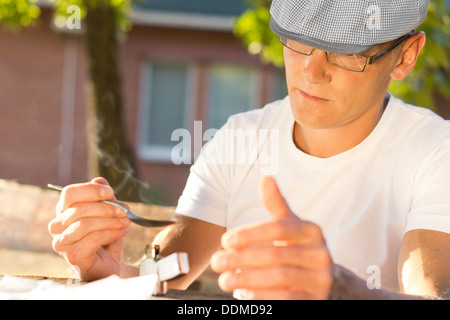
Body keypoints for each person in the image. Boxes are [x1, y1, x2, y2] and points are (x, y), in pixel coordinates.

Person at [48, 0, 450, 299]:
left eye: (346, 52)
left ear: (406, 55)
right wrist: (114, 274)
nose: (311, 72)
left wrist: (339, 288)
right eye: (299, 42)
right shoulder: (239, 139)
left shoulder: (435, 152)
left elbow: (431, 294)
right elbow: (169, 271)